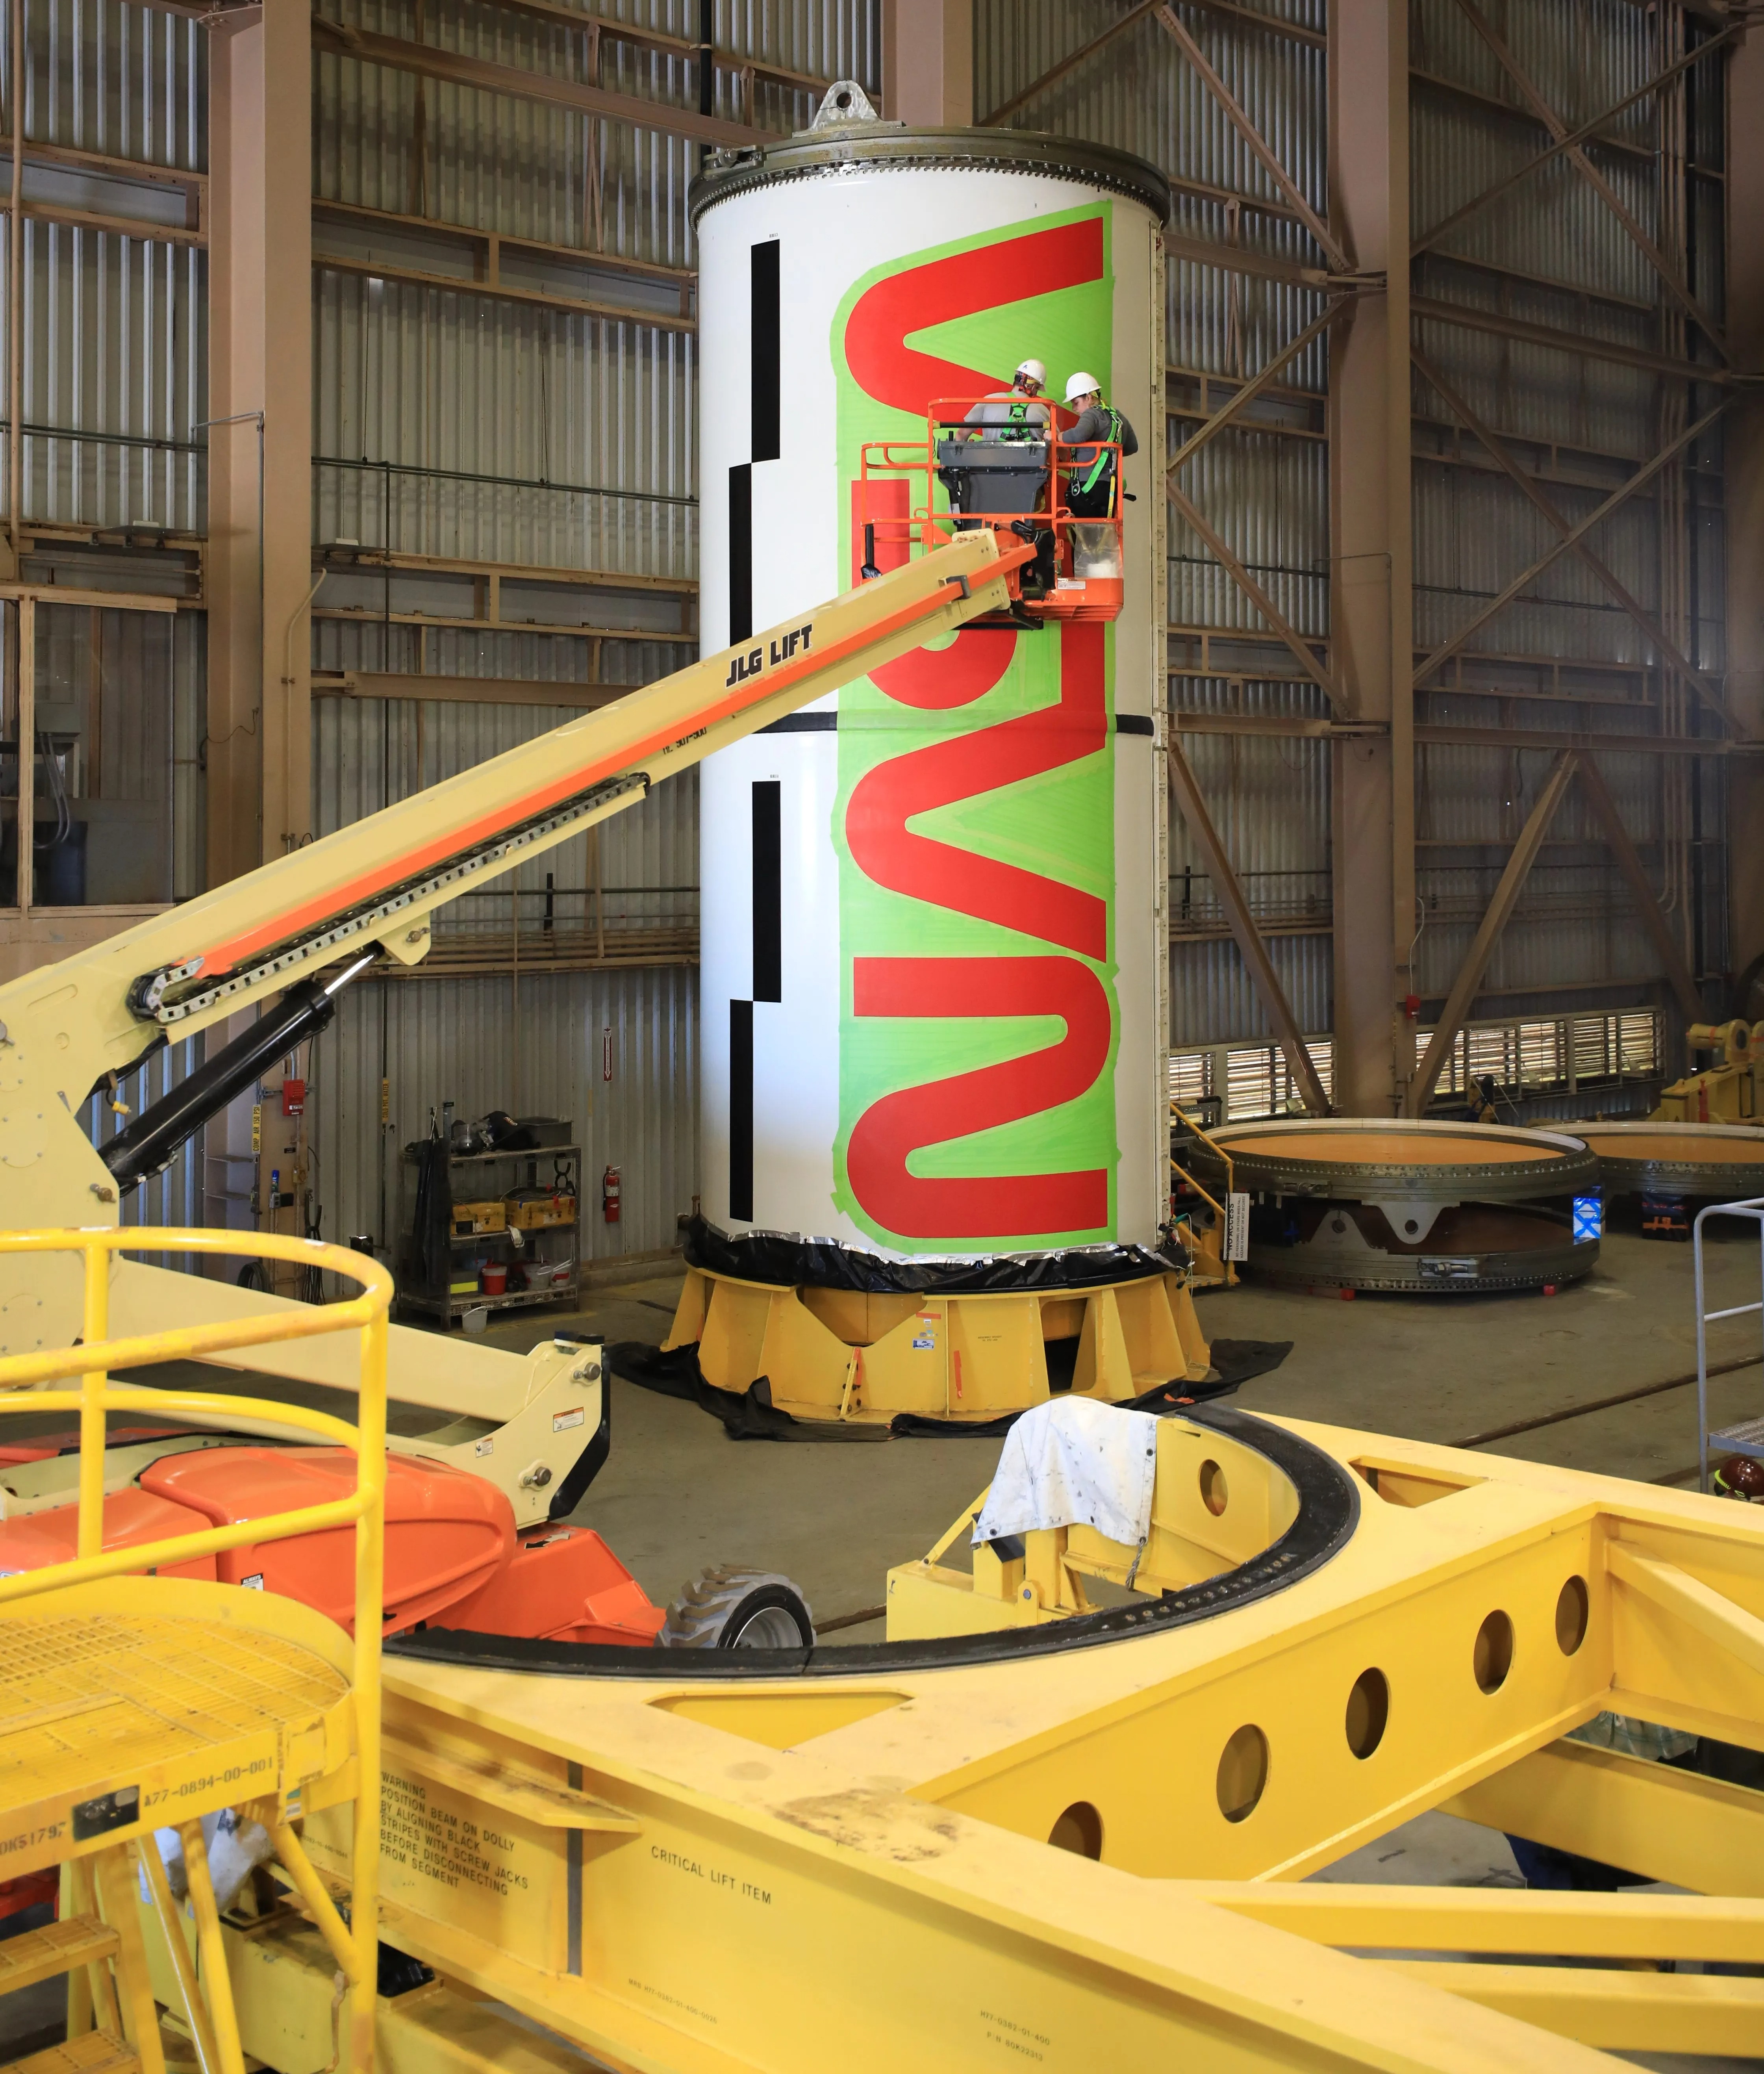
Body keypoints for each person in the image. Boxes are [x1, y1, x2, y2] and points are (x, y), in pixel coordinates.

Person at [1061, 372, 1137, 515]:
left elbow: (1078, 435)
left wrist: (1057, 436)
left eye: (1076, 403)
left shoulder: (1091, 414)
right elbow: (1133, 447)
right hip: (1110, 488)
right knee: (1102, 532)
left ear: (1089, 398)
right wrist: (1108, 454)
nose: (1074, 409)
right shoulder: (1117, 416)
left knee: (1084, 533)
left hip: (1085, 489)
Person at [962, 358, 1051, 442]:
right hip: (1028, 458)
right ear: (1034, 387)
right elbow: (1058, 445)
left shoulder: (989, 401)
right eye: (1037, 390)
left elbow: (961, 435)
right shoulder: (1043, 411)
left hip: (989, 457)